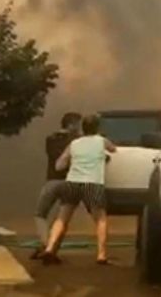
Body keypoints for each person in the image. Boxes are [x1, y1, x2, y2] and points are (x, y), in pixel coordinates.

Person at [40, 114, 116, 265]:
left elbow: (59, 165)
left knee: (62, 218)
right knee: (100, 219)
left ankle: (49, 248)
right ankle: (101, 255)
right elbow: (114, 150)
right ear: (97, 128)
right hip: (92, 183)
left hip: (72, 182)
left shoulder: (74, 144)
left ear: (83, 128)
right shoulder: (101, 141)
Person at [31, 112, 82, 260]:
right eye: (78, 124)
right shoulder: (78, 141)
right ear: (71, 125)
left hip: (52, 181)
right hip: (72, 182)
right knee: (62, 220)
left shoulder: (50, 139)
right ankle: (51, 249)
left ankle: (46, 244)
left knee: (40, 214)